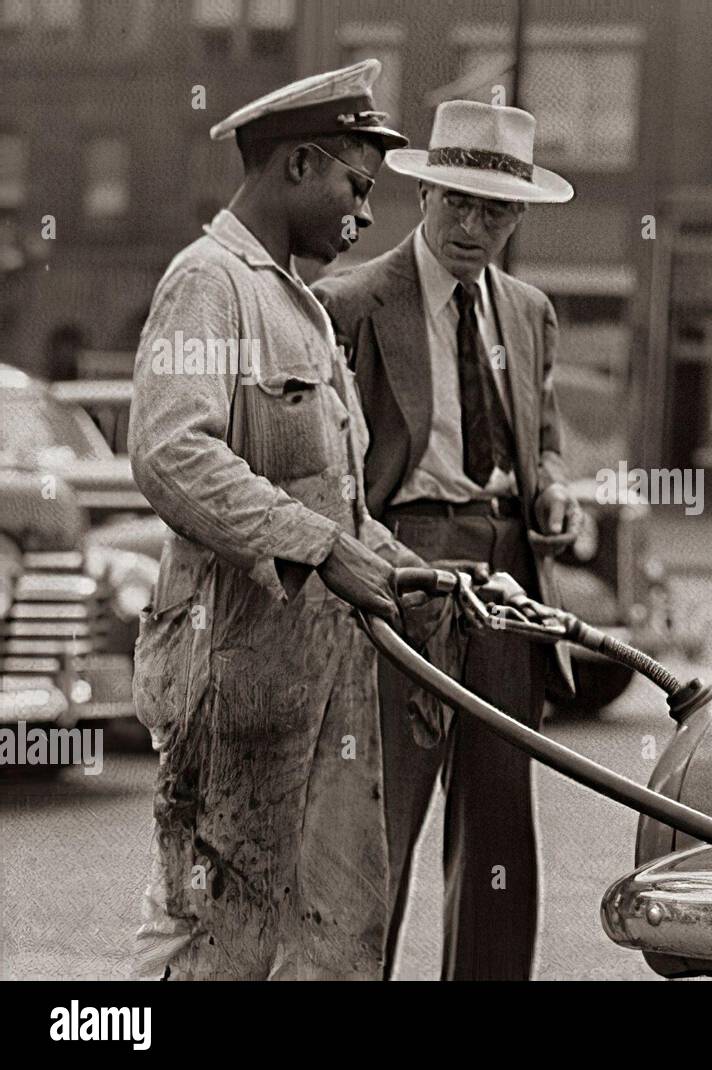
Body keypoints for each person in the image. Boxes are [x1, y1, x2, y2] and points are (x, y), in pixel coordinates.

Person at [129, 61, 444, 980]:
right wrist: (323, 549)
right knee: (211, 932)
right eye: (357, 187)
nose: (367, 215)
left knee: (329, 934)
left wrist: (411, 569)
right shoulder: (209, 283)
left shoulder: (297, 305)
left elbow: (325, 499)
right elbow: (171, 453)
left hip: (316, 682)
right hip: (231, 677)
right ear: (299, 165)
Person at [314, 100, 580, 980]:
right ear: (424, 195)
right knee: (380, 817)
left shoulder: (529, 312)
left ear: (518, 219)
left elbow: (543, 439)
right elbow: (323, 466)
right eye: (457, 203)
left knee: (500, 821)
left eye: (495, 211)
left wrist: (554, 493)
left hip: (509, 577)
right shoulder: (348, 304)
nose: (472, 227)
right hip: (402, 567)